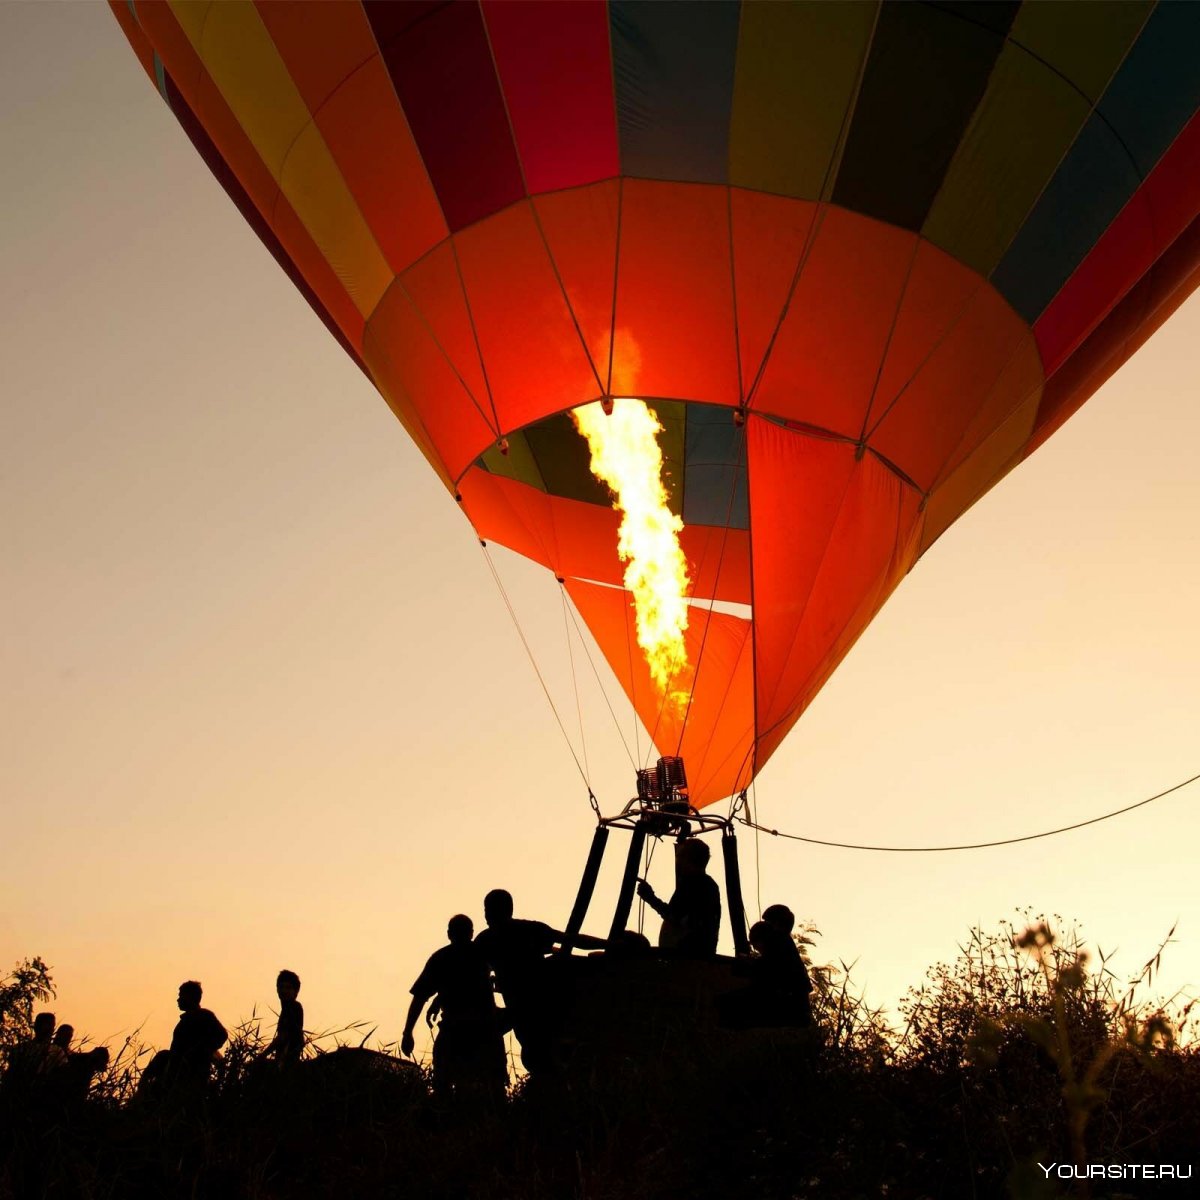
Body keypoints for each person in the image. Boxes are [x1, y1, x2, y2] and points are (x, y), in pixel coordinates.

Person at [472, 889, 603, 1075]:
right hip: (533, 1010)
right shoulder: (524, 931)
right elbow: (569, 940)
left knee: (540, 1056)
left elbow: (569, 940)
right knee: (540, 1056)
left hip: (536, 1009)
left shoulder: (488, 940)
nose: (486, 915)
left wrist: (608, 946)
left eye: (489, 910)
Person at [402, 914, 506, 1102]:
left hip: (461, 1031)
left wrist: (407, 1032)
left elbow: (420, 997)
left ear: (449, 934)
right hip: (482, 1032)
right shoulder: (482, 953)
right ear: (471, 933)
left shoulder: (442, 958)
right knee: (494, 1090)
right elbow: (422, 996)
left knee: (444, 1089)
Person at [636, 837, 721, 958]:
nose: (677, 860)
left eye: (680, 856)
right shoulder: (707, 885)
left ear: (687, 858)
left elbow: (674, 915)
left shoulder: (695, 884)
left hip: (686, 958)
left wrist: (650, 897)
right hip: (693, 957)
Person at [719, 920, 812, 1030]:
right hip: (794, 1007)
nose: (757, 950)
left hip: (790, 1008)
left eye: (755, 946)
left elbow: (770, 971)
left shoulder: (778, 946)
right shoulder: (782, 946)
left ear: (761, 940)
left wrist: (749, 964)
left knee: (728, 1004)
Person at [166, 980, 227, 1089]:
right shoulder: (186, 1020)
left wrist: (201, 1051)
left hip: (192, 1075)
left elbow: (222, 1035)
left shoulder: (203, 1016)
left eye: (181, 996)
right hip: (178, 1075)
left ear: (190, 997)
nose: (178, 999)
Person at [263, 969, 304, 1066]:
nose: (284, 991)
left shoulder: (294, 1007)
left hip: (288, 1063)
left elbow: (284, 1037)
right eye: (281, 987)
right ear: (277, 989)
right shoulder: (286, 1010)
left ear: (296, 991)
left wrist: (262, 1055)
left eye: (288, 988)